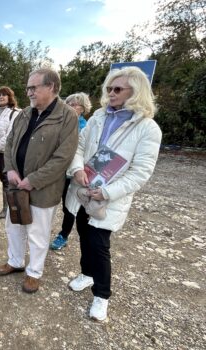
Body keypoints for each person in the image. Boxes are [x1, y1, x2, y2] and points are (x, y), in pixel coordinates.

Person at [65, 66, 162, 322]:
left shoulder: (147, 128)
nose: (111, 93)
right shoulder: (98, 116)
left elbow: (141, 172)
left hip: (107, 198)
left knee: (99, 245)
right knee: (84, 234)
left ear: (136, 92)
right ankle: (86, 274)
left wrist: (107, 192)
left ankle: (102, 295)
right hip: (83, 190)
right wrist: (76, 170)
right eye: (109, 88)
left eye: (117, 89)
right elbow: (80, 146)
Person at [0, 68, 78, 293]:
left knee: (38, 233)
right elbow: (10, 143)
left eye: (34, 88)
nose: (29, 92)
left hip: (43, 189)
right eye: (28, 88)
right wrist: (10, 170)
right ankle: (15, 261)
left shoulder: (67, 116)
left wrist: (34, 179)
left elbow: (63, 157)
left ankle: (34, 272)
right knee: (13, 226)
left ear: (50, 87)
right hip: (16, 184)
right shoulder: (24, 114)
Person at [50, 92, 91, 250]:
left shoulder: (85, 127)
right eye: (69, 104)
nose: (72, 107)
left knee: (69, 206)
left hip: (72, 173)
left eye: (76, 105)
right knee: (53, 202)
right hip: (57, 171)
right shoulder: (59, 122)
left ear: (83, 109)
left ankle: (63, 235)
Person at [0, 86, 21, 219]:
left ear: (10, 97)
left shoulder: (14, 113)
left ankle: (6, 208)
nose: (1, 97)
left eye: (4, 95)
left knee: (6, 180)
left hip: (5, 153)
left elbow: (10, 136)